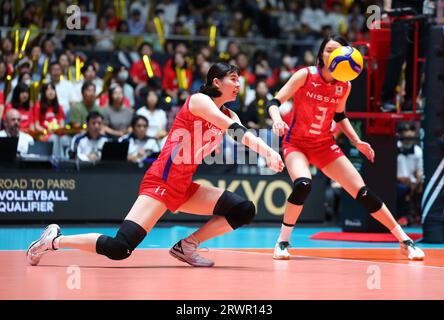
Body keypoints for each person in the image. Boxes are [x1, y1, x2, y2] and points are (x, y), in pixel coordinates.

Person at [27, 62, 284, 267]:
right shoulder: (199, 101)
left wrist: (265, 154)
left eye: (240, 79)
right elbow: (234, 129)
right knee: (120, 248)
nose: (239, 84)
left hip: (183, 187)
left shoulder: (230, 114)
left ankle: (187, 246)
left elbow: (239, 134)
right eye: (234, 79)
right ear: (217, 82)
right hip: (162, 181)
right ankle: (55, 240)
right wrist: (269, 152)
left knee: (243, 210)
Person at [266, 35, 425, 261]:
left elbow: (340, 116)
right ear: (321, 54)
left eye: (338, 51)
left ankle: (404, 241)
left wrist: (356, 141)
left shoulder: (345, 85)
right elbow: (275, 101)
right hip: (296, 144)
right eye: (329, 50)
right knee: (303, 185)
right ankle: (282, 242)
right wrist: (276, 119)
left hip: (324, 145)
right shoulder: (306, 75)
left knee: (363, 192)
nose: (332, 54)